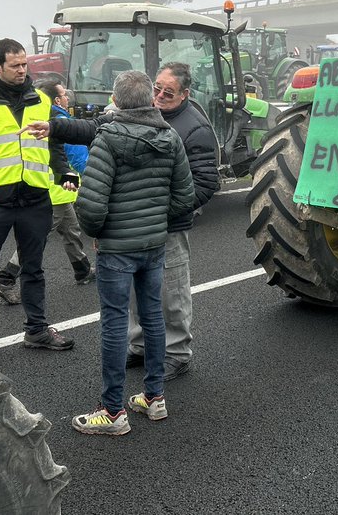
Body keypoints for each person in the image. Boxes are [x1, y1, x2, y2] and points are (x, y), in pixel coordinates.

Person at [69, 70, 194, 436]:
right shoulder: (170, 137)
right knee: (153, 317)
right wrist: (154, 219)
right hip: (154, 246)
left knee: (114, 323)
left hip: (116, 250)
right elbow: (184, 197)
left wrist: (99, 232)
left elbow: (91, 208)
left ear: (117, 99)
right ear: (148, 99)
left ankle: (112, 411)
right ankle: (154, 398)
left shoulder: (107, 140)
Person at [0, 38, 75, 365]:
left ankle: (36, 329)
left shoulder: (40, 98)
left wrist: (64, 171)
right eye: (15, 65)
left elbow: (53, 144)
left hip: (35, 198)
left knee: (34, 269)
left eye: (25, 64)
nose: (23, 70)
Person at [126, 62, 219, 381]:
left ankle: (176, 353)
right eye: (157, 88)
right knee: (137, 287)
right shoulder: (146, 115)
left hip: (169, 224)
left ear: (185, 94)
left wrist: (168, 209)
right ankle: (139, 345)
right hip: (138, 221)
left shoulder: (196, 128)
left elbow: (206, 183)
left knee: (172, 291)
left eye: (168, 91)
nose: (160, 95)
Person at [0, 81, 94, 302]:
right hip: (55, 190)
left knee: (71, 230)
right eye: (64, 95)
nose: (67, 98)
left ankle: (82, 269)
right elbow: (76, 158)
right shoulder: (61, 122)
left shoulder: (33, 119)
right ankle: (5, 278)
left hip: (46, 188)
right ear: (57, 100)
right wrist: (91, 179)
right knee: (37, 238)